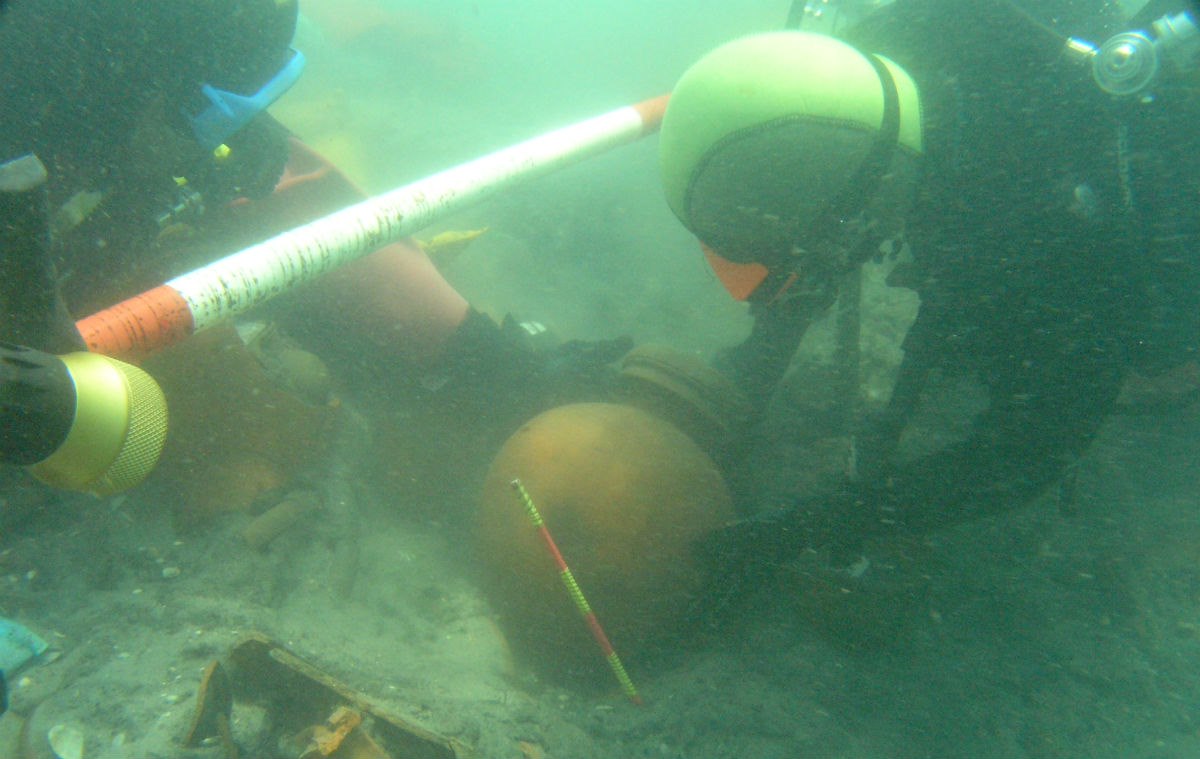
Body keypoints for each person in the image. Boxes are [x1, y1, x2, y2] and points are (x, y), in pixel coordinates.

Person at [0, 0, 624, 506]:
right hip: (69, 194)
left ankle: (480, 367)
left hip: (122, 127)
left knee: (274, 185)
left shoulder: (161, 92)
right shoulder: (44, 92)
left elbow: (303, 205)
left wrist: (482, 358)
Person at [656, 0, 1200, 576]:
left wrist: (818, 525)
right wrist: (740, 389)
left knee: (1137, 356)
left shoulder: (1028, 238)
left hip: (1089, 226)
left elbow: (1026, 457)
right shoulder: (884, 53)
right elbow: (818, 239)